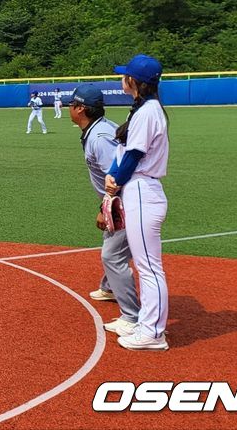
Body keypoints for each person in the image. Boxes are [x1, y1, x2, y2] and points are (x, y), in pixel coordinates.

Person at [105, 54, 171, 351]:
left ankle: (153, 333)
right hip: (139, 189)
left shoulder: (147, 112)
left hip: (143, 189)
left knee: (149, 267)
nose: (122, 78)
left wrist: (115, 181)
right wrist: (114, 176)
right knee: (147, 265)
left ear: (136, 81)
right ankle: (146, 325)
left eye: (125, 75)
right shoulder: (144, 108)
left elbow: (134, 155)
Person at [68, 83, 140, 334]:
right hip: (121, 199)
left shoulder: (100, 138)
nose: (69, 109)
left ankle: (132, 316)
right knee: (113, 244)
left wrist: (105, 206)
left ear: (81, 109)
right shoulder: (98, 129)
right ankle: (109, 287)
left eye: (71, 105)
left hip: (125, 199)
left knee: (112, 255)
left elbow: (119, 175)